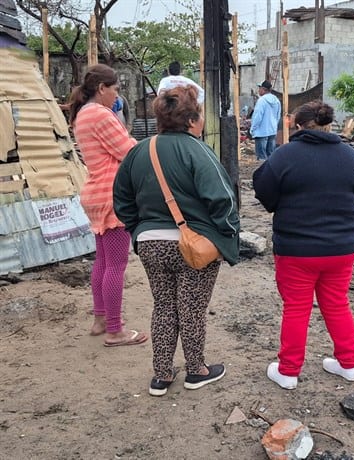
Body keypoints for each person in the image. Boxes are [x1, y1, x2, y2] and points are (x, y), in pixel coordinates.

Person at [113, 85, 240, 397]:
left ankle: (162, 375)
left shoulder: (139, 151)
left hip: (150, 242)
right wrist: (226, 236)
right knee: (192, 308)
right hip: (193, 244)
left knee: (164, 306)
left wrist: (139, 230)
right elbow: (222, 199)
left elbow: (121, 199)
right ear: (192, 120)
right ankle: (196, 370)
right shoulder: (197, 150)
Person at [252, 100, 354, 390]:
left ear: (297, 125)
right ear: (329, 125)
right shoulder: (350, 156)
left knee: (296, 307)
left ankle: (289, 371)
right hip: (341, 249)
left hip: (297, 249)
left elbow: (264, 192)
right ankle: (349, 364)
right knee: (338, 303)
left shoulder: (285, 155)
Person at [68, 64, 148, 347]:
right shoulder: (101, 115)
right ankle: (116, 330)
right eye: (115, 88)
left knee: (102, 261)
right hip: (113, 195)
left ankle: (101, 320)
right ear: (102, 88)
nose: (117, 95)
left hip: (95, 192)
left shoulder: (83, 115)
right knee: (116, 265)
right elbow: (127, 151)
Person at [250, 80, 281, 160]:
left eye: (259, 88)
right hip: (272, 131)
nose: (258, 90)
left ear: (263, 89)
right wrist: (274, 126)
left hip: (261, 132)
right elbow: (278, 116)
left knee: (261, 158)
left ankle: (263, 172)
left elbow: (257, 117)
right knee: (271, 156)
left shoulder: (262, 101)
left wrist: (253, 129)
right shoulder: (276, 100)